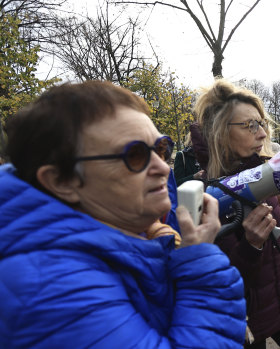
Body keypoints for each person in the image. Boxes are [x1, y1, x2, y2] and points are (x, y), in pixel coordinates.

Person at [0, 81, 246, 348]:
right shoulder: (48, 286)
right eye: (136, 155)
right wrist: (200, 268)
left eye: (161, 149)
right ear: (62, 181)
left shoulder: (143, 232)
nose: (163, 169)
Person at [192, 79, 280, 349]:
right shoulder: (201, 196)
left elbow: (277, 229)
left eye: (261, 123)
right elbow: (211, 279)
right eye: (250, 125)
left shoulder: (259, 174)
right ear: (219, 132)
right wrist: (250, 246)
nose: (262, 134)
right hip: (241, 318)